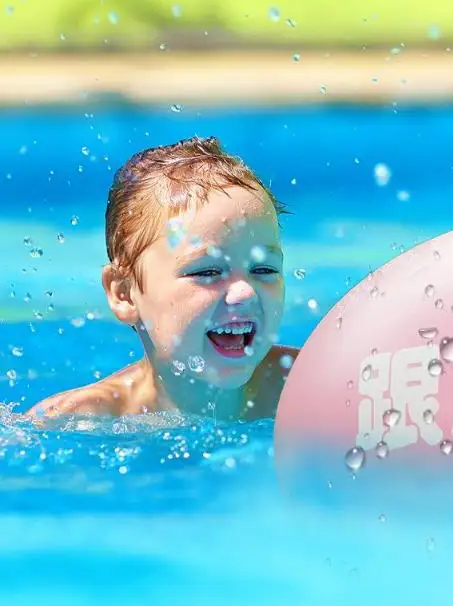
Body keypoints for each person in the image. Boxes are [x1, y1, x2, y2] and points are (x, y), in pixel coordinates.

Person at [26, 136, 298, 423]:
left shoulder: (315, 384)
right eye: (207, 272)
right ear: (125, 293)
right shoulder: (77, 420)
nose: (245, 292)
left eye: (264, 270)